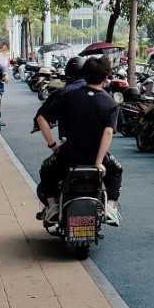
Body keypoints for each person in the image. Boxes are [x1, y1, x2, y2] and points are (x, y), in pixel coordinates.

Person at [35, 55, 123, 224]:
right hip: (95, 157)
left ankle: (53, 207)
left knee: (46, 170)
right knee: (116, 171)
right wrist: (98, 162)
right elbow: (108, 133)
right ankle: (110, 207)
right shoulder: (110, 103)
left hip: (68, 155)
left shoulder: (68, 96)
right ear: (105, 77)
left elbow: (41, 119)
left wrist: (53, 145)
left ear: (84, 74)